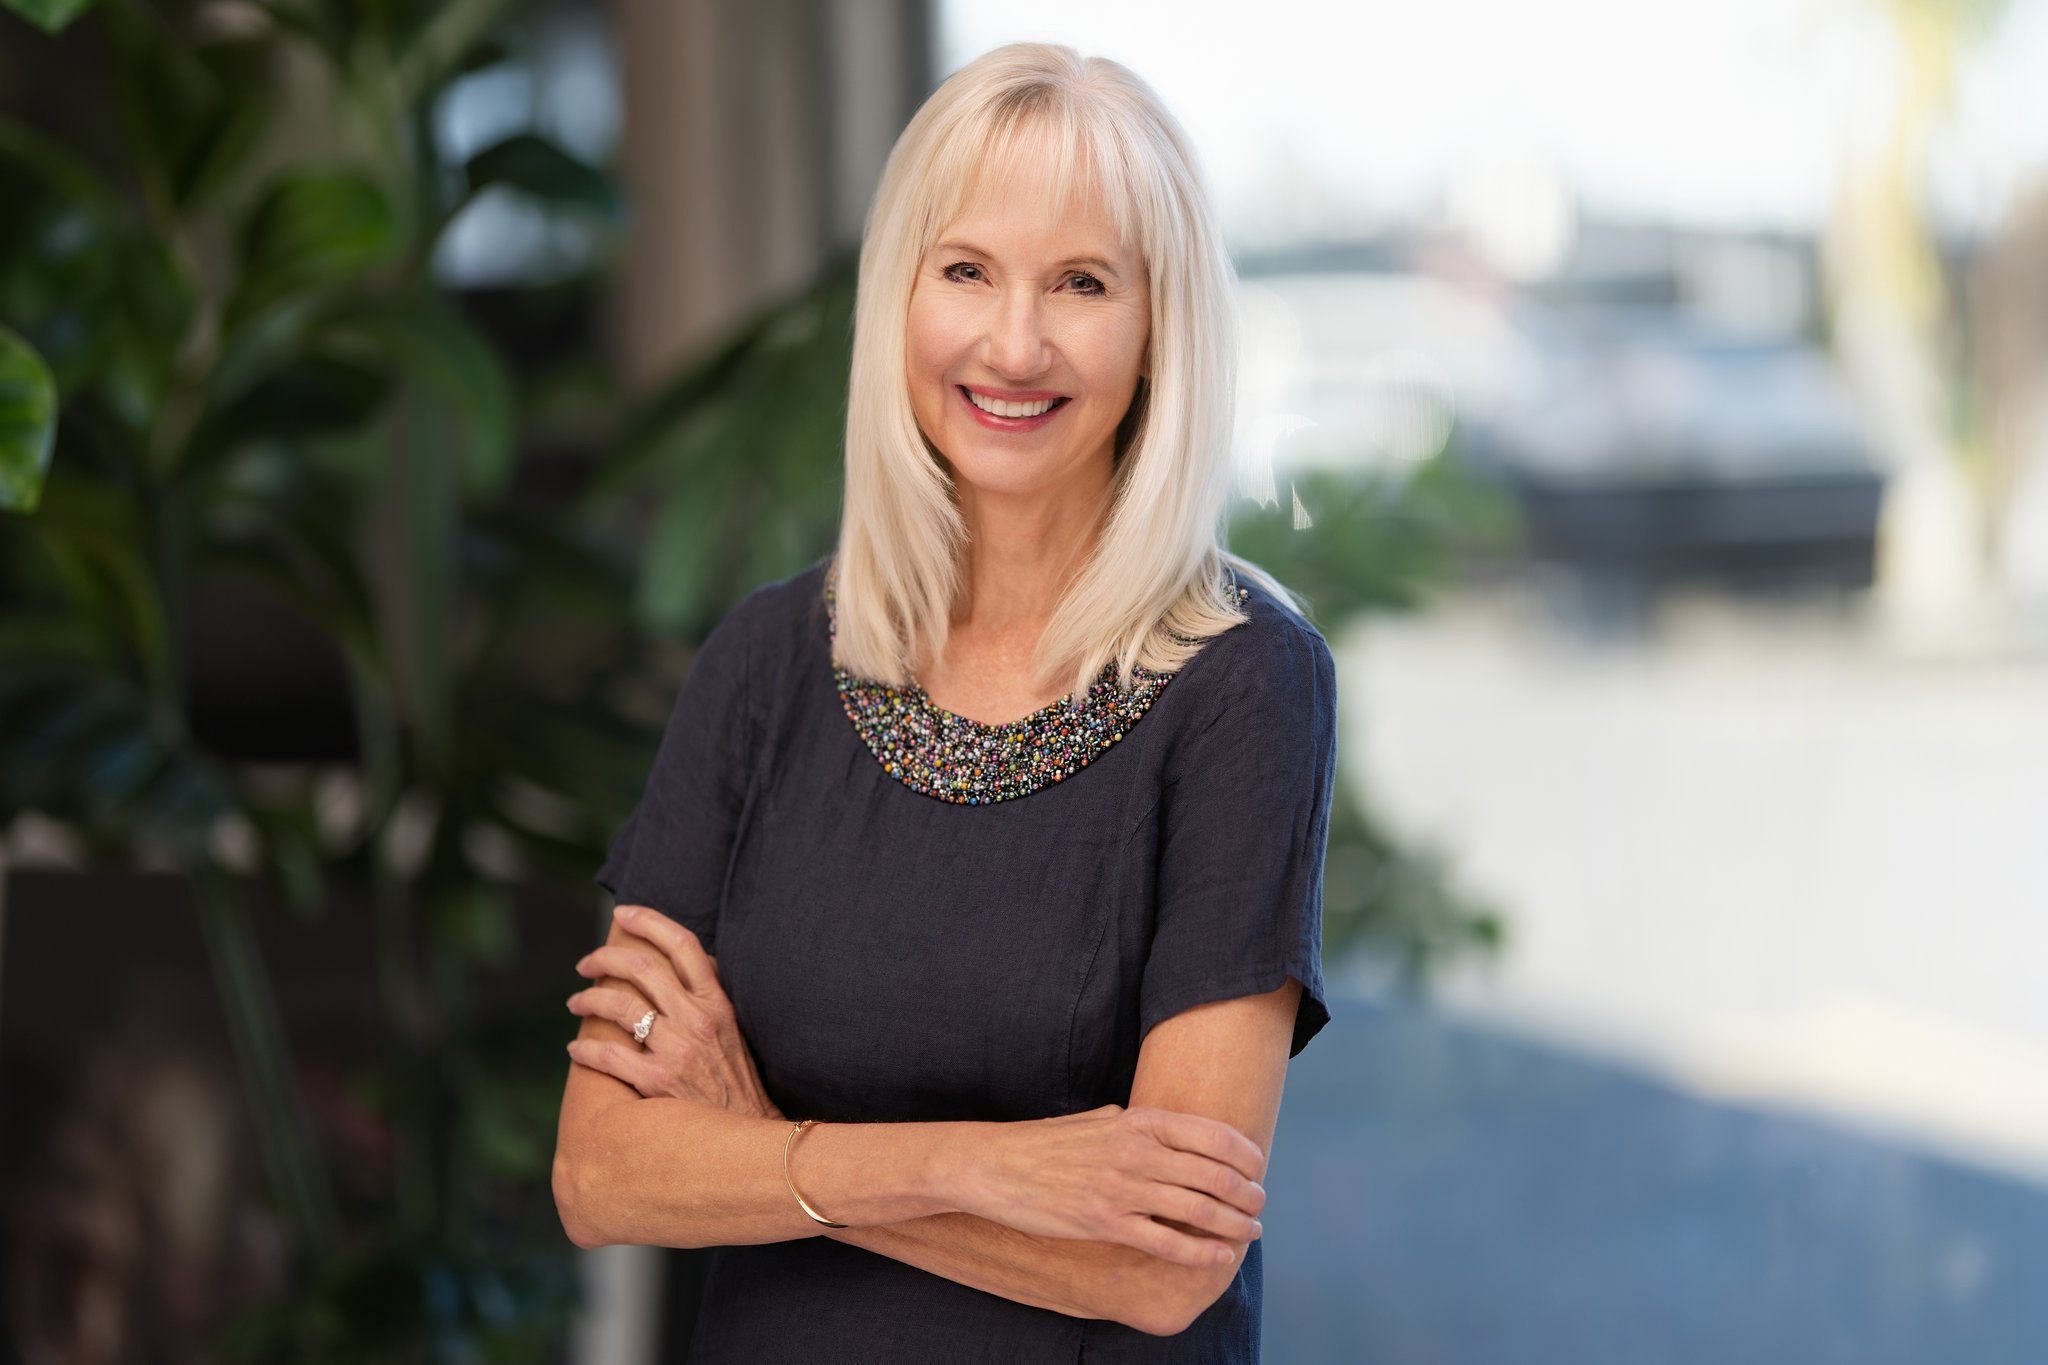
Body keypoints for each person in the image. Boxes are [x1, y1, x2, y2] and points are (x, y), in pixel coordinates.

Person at [552, 40, 1338, 1360]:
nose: (1013, 341)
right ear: (900, 296)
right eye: (966, 269)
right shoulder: (765, 665)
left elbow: (1163, 1271)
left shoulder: (1245, 682)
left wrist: (758, 1156)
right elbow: (603, 1173)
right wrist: (985, 1170)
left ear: (1160, 331)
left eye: (1082, 282)